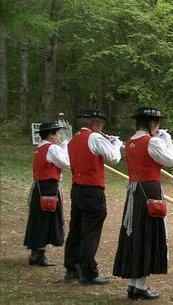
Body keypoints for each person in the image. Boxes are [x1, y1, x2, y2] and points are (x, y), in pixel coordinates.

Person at [113, 107, 173, 300]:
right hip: (149, 190)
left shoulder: (130, 142)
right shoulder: (153, 142)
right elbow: (172, 160)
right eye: (157, 123)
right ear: (152, 124)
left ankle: (134, 284)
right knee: (146, 234)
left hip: (134, 191)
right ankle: (140, 286)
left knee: (134, 233)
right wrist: (167, 141)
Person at [64, 109, 122, 285]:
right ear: (94, 123)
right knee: (91, 230)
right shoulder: (94, 138)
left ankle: (71, 269)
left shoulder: (72, 141)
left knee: (76, 229)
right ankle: (89, 272)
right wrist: (116, 144)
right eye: (101, 124)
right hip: (92, 189)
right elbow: (114, 158)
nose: (101, 127)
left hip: (77, 188)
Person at [24, 121, 70, 266]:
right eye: (56, 133)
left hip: (40, 186)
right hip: (48, 187)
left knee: (39, 218)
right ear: (50, 135)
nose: (58, 136)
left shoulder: (41, 148)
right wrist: (65, 147)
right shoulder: (51, 149)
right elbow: (66, 164)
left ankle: (36, 252)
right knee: (45, 219)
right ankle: (39, 254)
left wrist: (61, 146)